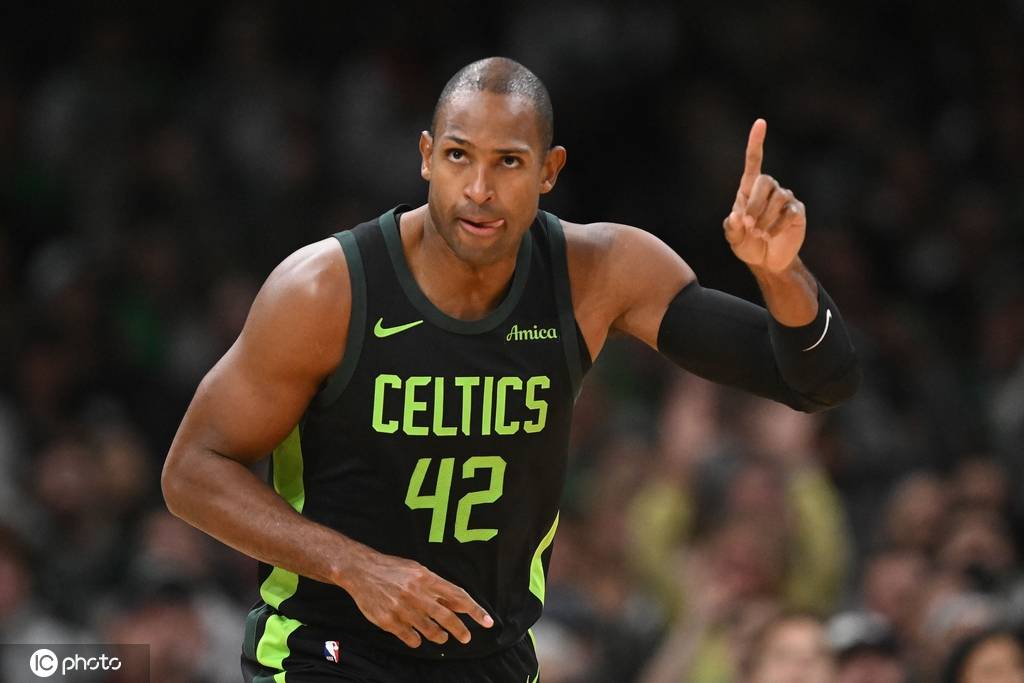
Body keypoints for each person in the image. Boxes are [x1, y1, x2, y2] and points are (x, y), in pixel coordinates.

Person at [161, 56, 860, 682]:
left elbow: (817, 380)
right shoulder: (327, 290)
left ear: (550, 170)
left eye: (508, 162)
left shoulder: (597, 273)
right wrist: (355, 566)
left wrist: (780, 272)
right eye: (459, 156)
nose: (479, 189)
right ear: (426, 157)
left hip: (492, 656)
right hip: (330, 649)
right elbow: (191, 470)